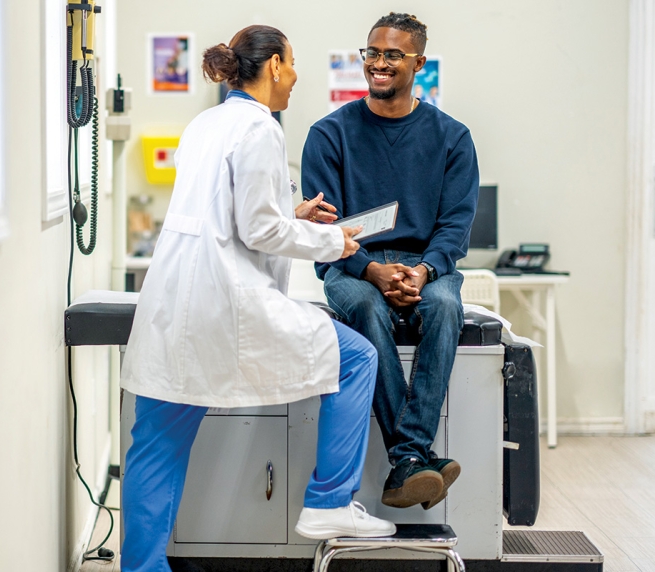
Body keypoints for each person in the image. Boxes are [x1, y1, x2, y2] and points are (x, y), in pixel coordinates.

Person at [120, 24, 396, 572]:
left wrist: (290, 214)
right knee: (358, 356)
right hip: (225, 303)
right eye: (292, 65)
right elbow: (258, 232)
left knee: (154, 447)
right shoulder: (262, 128)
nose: (295, 77)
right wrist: (333, 238)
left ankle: (141, 567)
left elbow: (232, 213)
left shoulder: (206, 123)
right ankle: (328, 504)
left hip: (174, 305)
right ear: (272, 65)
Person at [302, 12, 479, 511]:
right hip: (353, 265)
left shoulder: (452, 137)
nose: (379, 64)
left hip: (426, 264)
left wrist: (424, 271)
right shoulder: (328, 134)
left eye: (393, 55)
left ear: (419, 63)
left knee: (444, 308)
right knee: (367, 308)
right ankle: (417, 456)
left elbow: (455, 224)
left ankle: (406, 458)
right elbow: (325, 227)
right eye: (372, 53)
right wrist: (372, 271)